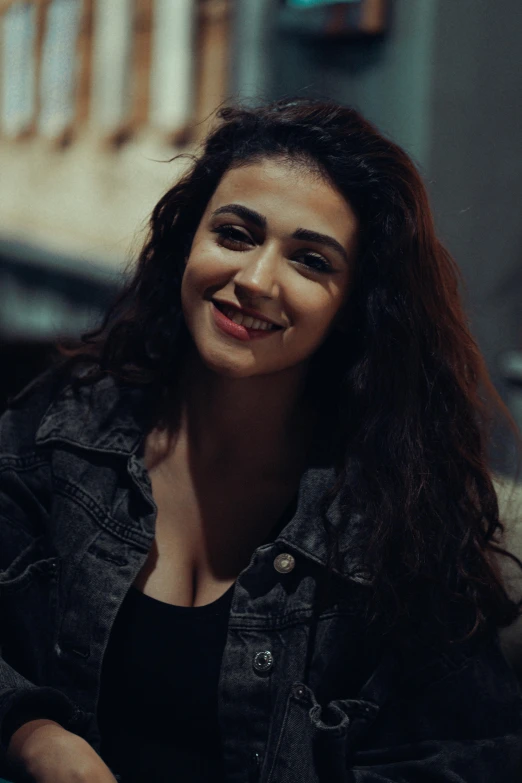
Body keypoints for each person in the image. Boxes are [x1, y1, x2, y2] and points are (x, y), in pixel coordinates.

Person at [0, 97, 521, 783]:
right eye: (237, 234)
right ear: (190, 238)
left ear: (353, 307)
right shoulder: (64, 433)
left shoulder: (396, 510)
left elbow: (466, 758)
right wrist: (35, 735)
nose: (254, 280)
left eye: (310, 260)